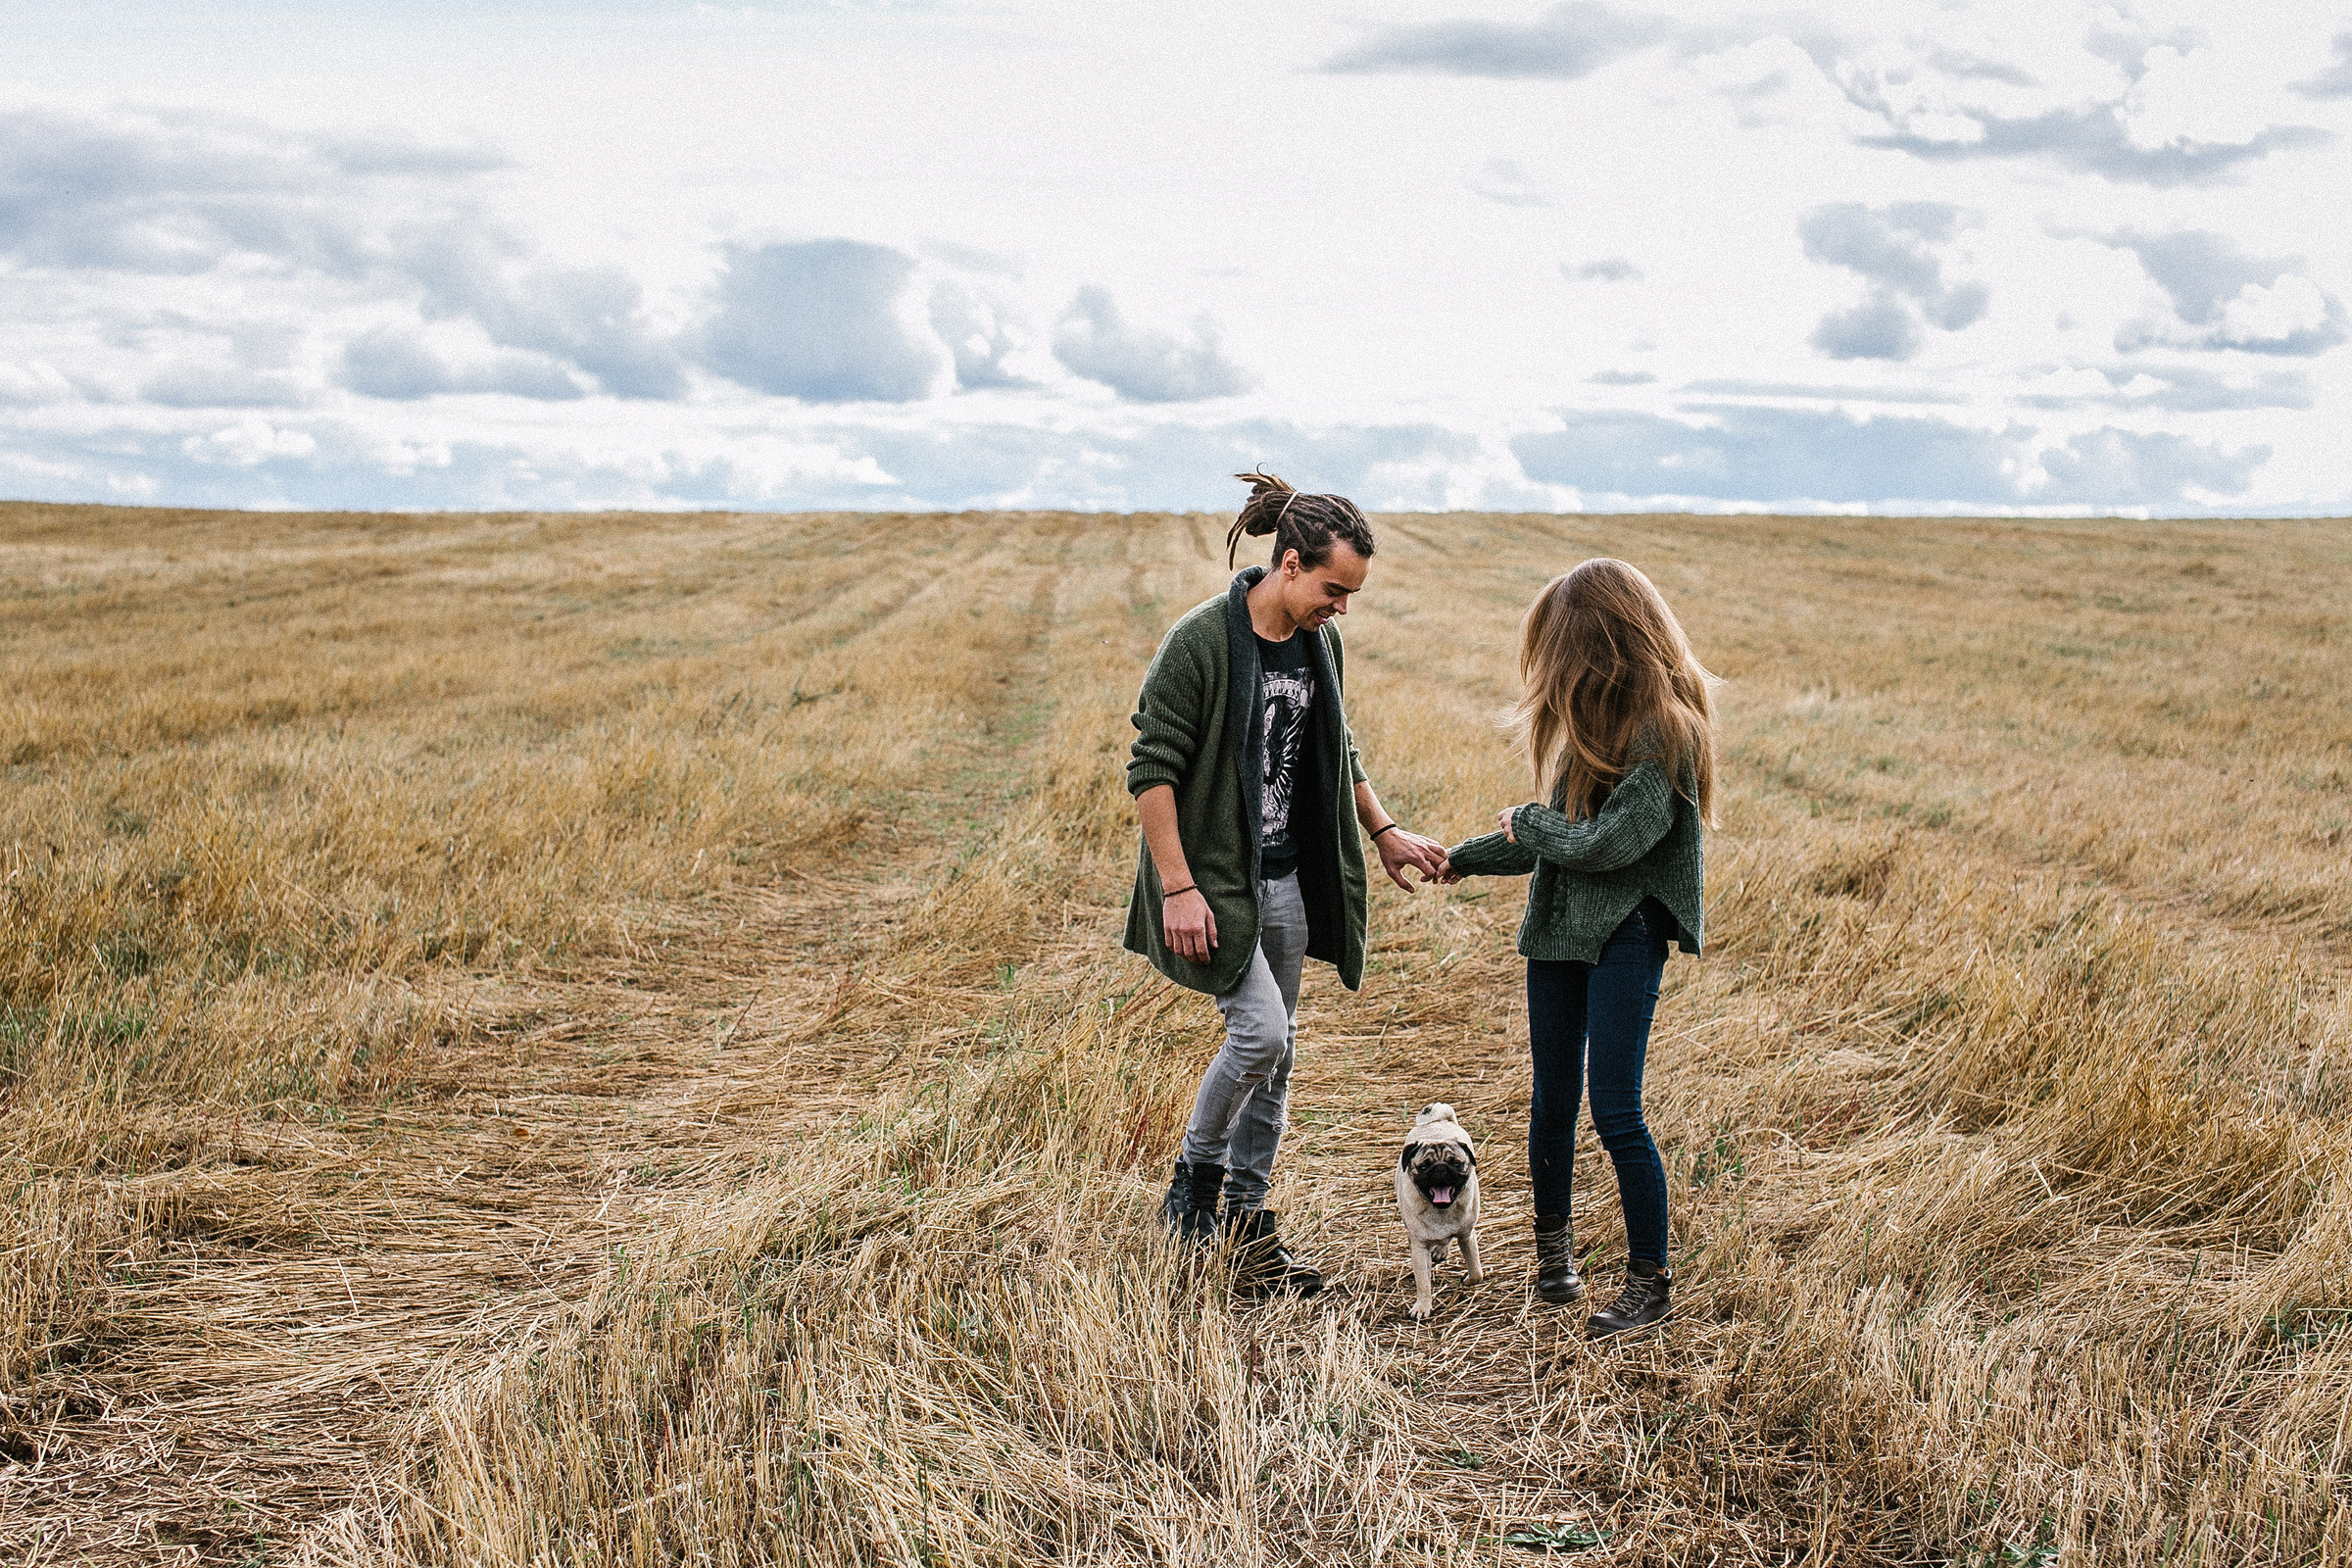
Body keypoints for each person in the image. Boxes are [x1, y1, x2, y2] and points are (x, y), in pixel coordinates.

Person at [1125, 469, 1451, 1297]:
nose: (1342, 609)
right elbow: (1150, 769)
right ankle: (1193, 1181)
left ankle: (1246, 1225)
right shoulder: (1200, 641)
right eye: (1335, 590)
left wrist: (1383, 834)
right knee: (1260, 1037)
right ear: (1293, 563)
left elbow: (1337, 751)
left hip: (1289, 882)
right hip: (1220, 887)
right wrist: (1178, 887)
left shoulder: (1321, 645)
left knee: (1279, 1059)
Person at [1442, 559, 1715, 1339]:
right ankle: (1552, 1256)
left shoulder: (1668, 733)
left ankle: (1649, 1283)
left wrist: (1529, 824)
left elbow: (1606, 845)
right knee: (1552, 1101)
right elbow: (1552, 846)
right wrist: (1458, 858)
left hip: (1625, 938)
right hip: (1559, 936)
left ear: (1604, 644)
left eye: (1563, 652)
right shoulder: (1590, 736)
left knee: (1617, 1109)